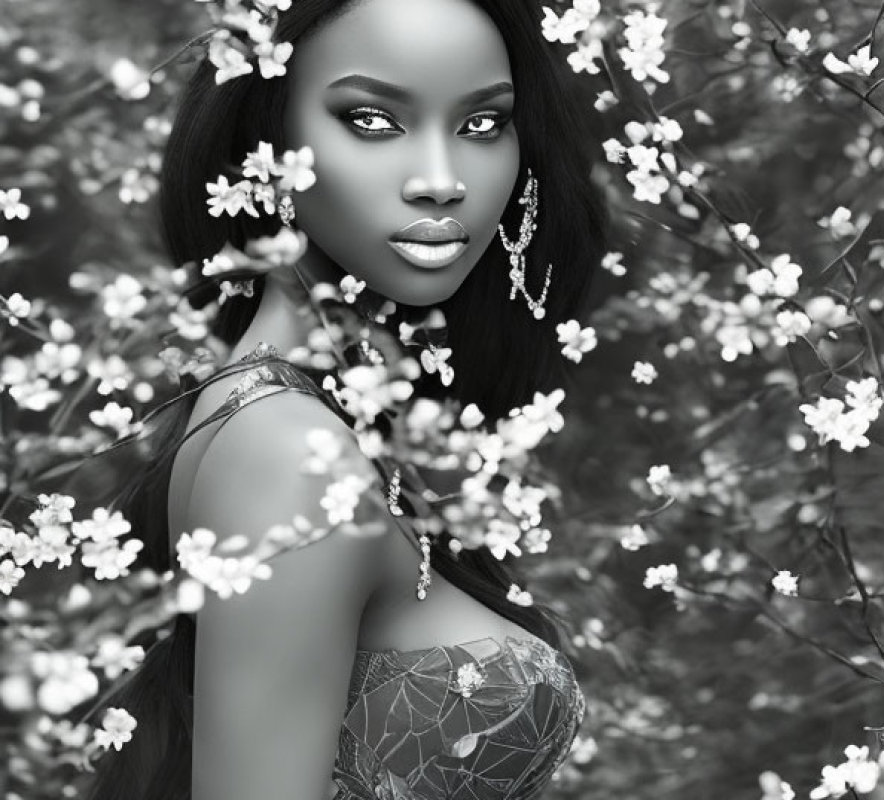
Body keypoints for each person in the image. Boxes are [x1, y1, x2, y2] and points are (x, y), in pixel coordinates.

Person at [81, 0, 605, 797]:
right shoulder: (290, 452)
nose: (441, 181)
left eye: (482, 124)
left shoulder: (307, 416)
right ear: (266, 141)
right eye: (371, 119)